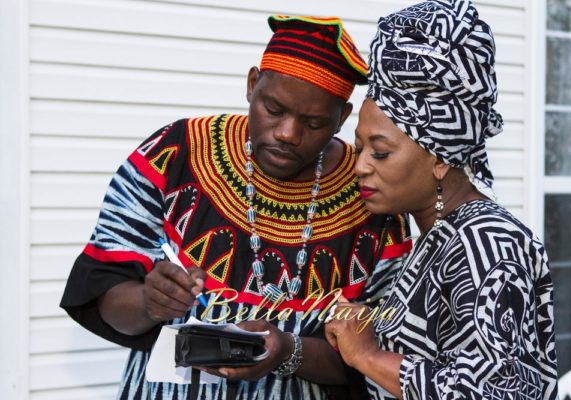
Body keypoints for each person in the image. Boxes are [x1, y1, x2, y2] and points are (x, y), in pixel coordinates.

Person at [60, 15, 411, 400]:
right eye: (274, 109)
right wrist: (149, 302)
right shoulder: (174, 155)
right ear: (251, 85)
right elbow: (104, 295)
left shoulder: (371, 194)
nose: (287, 134)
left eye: (313, 122)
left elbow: (377, 351)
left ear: (341, 118)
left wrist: (286, 352)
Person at [324, 1, 558, 399]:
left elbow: (504, 390)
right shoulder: (438, 236)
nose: (360, 166)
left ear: (440, 158)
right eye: (359, 146)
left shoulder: (487, 242)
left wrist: (368, 357)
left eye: (379, 152)